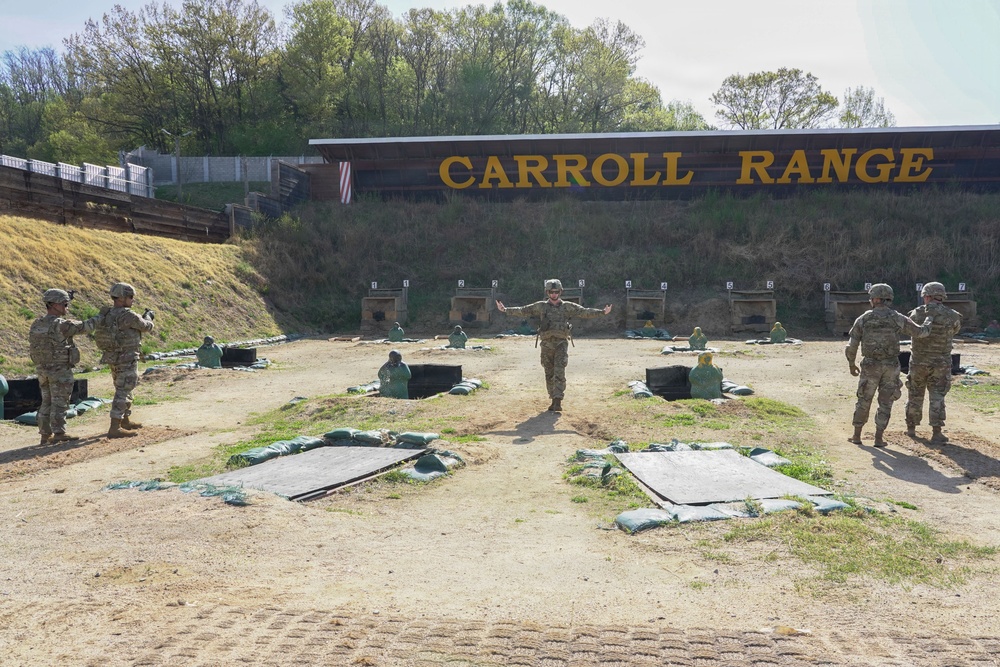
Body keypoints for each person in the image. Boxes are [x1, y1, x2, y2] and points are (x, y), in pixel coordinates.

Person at [496, 279, 612, 412]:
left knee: (559, 370)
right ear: (547, 292)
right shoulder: (541, 306)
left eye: (556, 292)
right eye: (551, 292)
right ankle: (552, 397)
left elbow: (584, 312)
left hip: (561, 343)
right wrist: (505, 310)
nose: (554, 294)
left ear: (560, 292)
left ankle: (558, 400)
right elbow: (524, 310)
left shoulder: (567, 306)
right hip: (546, 344)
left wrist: (602, 312)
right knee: (548, 372)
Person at [846, 283, 932, 447]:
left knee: (864, 399)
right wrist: (928, 321)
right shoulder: (897, 318)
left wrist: (851, 363)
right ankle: (879, 438)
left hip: (870, 366)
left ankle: (857, 435)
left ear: (875, 299)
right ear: (888, 299)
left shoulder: (864, 318)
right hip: (891, 366)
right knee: (886, 402)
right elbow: (921, 332)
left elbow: (852, 344)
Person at [28, 289, 98, 444]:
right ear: (53, 305)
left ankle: (45, 435)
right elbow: (86, 326)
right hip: (59, 370)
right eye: (64, 304)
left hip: (42, 369)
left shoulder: (37, 323)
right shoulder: (62, 325)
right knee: (60, 402)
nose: (67, 307)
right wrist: (101, 316)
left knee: (47, 402)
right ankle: (59, 433)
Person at [93, 282, 155, 438]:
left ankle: (125, 420)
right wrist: (149, 317)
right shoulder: (128, 315)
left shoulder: (107, 314)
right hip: (126, 357)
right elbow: (146, 327)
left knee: (123, 387)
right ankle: (115, 427)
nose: (132, 300)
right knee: (124, 389)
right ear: (122, 298)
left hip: (113, 357)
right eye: (130, 297)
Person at [905, 282, 962, 443]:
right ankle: (936, 432)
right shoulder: (952, 315)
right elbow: (955, 329)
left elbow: (909, 330)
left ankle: (911, 428)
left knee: (915, 394)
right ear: (942, 296)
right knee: (937, 396)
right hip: (941, 364)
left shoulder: (916, 314)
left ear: (928, 296)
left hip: (918, 363)